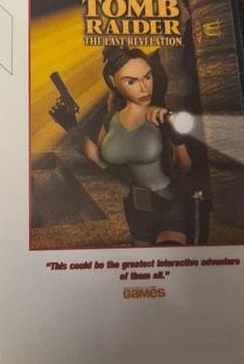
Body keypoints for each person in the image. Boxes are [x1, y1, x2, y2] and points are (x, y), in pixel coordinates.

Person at [49, 46, 192, 246]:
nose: (144, 88)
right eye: (131, 81)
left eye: (147, 77)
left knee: (167, 258)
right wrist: (71, 127)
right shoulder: (111, 119)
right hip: (137, 207)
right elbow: (102, 162)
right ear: (112, 81)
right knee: (140, 262)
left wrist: (178, 142)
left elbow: (184, 168)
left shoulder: (161, 115)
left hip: (169, 203)